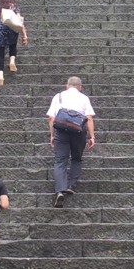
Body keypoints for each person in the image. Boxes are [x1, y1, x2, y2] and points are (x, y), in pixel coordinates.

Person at [45, 76, 97, 207]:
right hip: (78, 131)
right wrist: (92, 137)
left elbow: (51, 118)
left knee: (60, 161)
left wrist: (52, 135)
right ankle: (71, 185)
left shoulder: (58, 96)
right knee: (76, 158)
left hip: (61, 131)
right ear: (80, 88)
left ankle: (59, 191)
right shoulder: (84, 98)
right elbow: (89, 118)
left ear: (67, 86)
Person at [0, 0, 28, 87]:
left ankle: (0, 76)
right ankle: (12, 61)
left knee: (0, 55)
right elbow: (20, 22)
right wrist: (24, 35)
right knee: (12, 46)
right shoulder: (14, 7)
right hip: (12, 31)